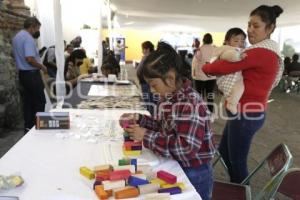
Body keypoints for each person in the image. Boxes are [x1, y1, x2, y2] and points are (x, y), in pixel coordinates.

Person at [119, 42, 214, 200]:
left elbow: (186, 148)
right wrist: (140, 119)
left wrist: (145, 135)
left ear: (170, 79)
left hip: (195, 171)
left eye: (154, 85)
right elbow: (161, 126)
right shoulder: (167, 97)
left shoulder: (190, 104)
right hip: (176, 163)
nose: (151, 90)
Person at [203, 5, 284, 183]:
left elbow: (220, 67)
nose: (249, 30)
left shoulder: (261, 52)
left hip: (247, 114)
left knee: (237, 162)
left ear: (270, 28)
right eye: (249, 25)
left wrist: (205, 67)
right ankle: (237, 187)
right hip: (246, 112)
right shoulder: (268, 51)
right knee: (225, 152)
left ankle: (241, 190)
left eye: (256, 26)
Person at [12, 17, 47, 133]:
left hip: (23, 75)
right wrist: (41, 66)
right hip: (31, 74)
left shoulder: (17, 37)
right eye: (37, 28)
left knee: (28, 102)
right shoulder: (28, 38)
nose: (37, 31)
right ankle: (38, 127)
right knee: (40, 101)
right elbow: (29, 58)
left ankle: (29, 128)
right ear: (32, 27)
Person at [212, 28, 247, 114]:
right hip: (227, 78)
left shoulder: (240, 50)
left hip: (234, 77)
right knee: (239, 88)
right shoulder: (227, 49)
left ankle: (227, 99)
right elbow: (231, 56)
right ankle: (231, 104)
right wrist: (239, 56)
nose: (240, 43)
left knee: (236, 89)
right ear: (227, 42)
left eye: (242, 41)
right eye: (236, 41)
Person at [192, 33, 216, 113]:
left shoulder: (199, 49)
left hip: (200, 76)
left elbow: (195, 62)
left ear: (203, 40)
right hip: (211, 76)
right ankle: (210, 111)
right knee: (210, 95)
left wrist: (193, 74)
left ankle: (200, 111)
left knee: (199, 95)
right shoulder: (215, 49)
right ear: (211, 40)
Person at [136, 41, 157, 115]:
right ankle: (150, 118)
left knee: (150, 103)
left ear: (147, 49)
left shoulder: (150, 58)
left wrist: (143, 59)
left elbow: (141, 69)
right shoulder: (147, 57)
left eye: (143, 49)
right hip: (144, 83)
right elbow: (139, 70)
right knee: (148, 103)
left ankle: (152, 118)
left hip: (148, 84)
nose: (142, 51)